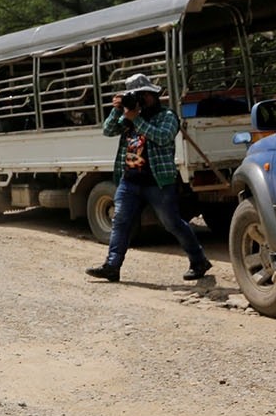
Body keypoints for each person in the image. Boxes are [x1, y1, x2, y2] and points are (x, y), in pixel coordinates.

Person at [85, 72, 213, 284]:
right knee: (120, 222)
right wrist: (118, 109)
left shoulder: (167, 116)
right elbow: (107, 131)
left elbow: (163, 137)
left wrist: (136, 119)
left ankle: (199, 260)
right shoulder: (129, 114)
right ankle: (112, 266)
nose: (139, 101)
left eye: (141, 96)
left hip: (158, 181)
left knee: (171, 223)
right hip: (130, 180)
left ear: (151, 95)